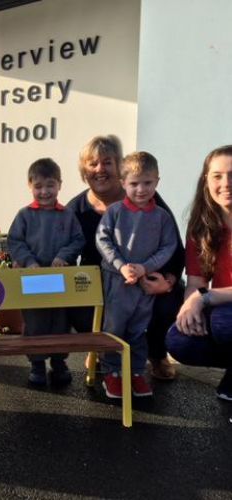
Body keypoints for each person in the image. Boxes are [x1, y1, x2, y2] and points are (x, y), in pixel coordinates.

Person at [67, 136, 185, 380]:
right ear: (83, 170)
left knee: (165, 303)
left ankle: (156, 354)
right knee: (77, 305)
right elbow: (64, 252)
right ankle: (100, 349)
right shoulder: (75, 209)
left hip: (147, 279)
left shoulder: (149, 201)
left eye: (107, 162)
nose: (100, 169)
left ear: (119, 168)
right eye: (93, 163)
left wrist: (168, 281)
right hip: (102, 282)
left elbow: (174, 249)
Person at [96, 152, 178, 398]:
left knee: (138, 329)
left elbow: (168, 247)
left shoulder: (162, 217)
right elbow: (103, 240)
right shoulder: (114, 211)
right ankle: (112, 373)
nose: (141, 189)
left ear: (157, 182)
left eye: (147, 183)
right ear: (123, 183)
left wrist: (145, 268)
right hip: (116, 282)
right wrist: (121, 265)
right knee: (114, 328)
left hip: (143, 285)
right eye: (134, 183)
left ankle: (135, 372)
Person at [7, 158, 85, 386]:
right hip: (33, 281)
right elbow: (15, 242)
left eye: (50, 185)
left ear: (59, 185)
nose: (44, 191)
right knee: (36, 322)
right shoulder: (24, 215)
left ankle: (59, 362)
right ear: (30, 185)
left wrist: (63, 256)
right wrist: (28, 261)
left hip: (60, 280)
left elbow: (78, 240)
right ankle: (37, 364)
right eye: (38, 186)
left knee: (60, 322)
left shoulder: (68, 215)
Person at [167, 145, 232, 401]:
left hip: (223, 310)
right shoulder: (202, 227)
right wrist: (191, 308)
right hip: (221, 306)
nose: (226, 183)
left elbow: (204, 294)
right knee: (178, 340)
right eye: (217, 176)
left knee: (224, 324)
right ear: (206, 180)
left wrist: (204, 298)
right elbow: (196, 282)